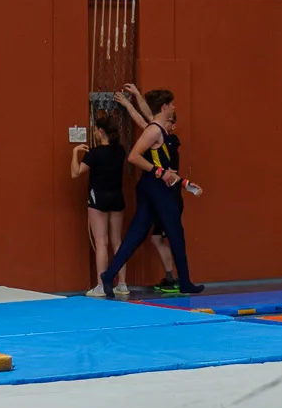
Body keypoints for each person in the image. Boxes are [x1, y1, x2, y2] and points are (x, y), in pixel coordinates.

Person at [99, 88, 201, 298]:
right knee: (175, 233)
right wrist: (160, 172)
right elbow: (134, 157)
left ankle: (109, 275)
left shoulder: (157, 127)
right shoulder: (154, 130)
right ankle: (185, 282)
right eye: (171, 105)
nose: (173, 108)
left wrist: (182, 182)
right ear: (164, 107)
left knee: (135, 236)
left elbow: (147, 114)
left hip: (153, 185)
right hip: (156, 187)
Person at [116, 83, 183, 290]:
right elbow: (148, 119)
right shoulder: (160, 132)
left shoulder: (168, 138)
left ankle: (174, 278)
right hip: (162, 191)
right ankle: (173, 277)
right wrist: (133, 98)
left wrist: (130, 103)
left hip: (167, 192)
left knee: (162, 237)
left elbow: (148, 121)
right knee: (157, 238)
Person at [72, 114, 128, 298]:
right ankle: (122, 284)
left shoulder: (94, 154)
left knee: (101, 242)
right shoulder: (120, 151)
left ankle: (101, 285)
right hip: (117, 197)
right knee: (117, 241)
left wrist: (75, 153)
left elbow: (75, 173)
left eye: (95, 130)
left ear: (101, 131)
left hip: (99, 199)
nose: (94, 133)